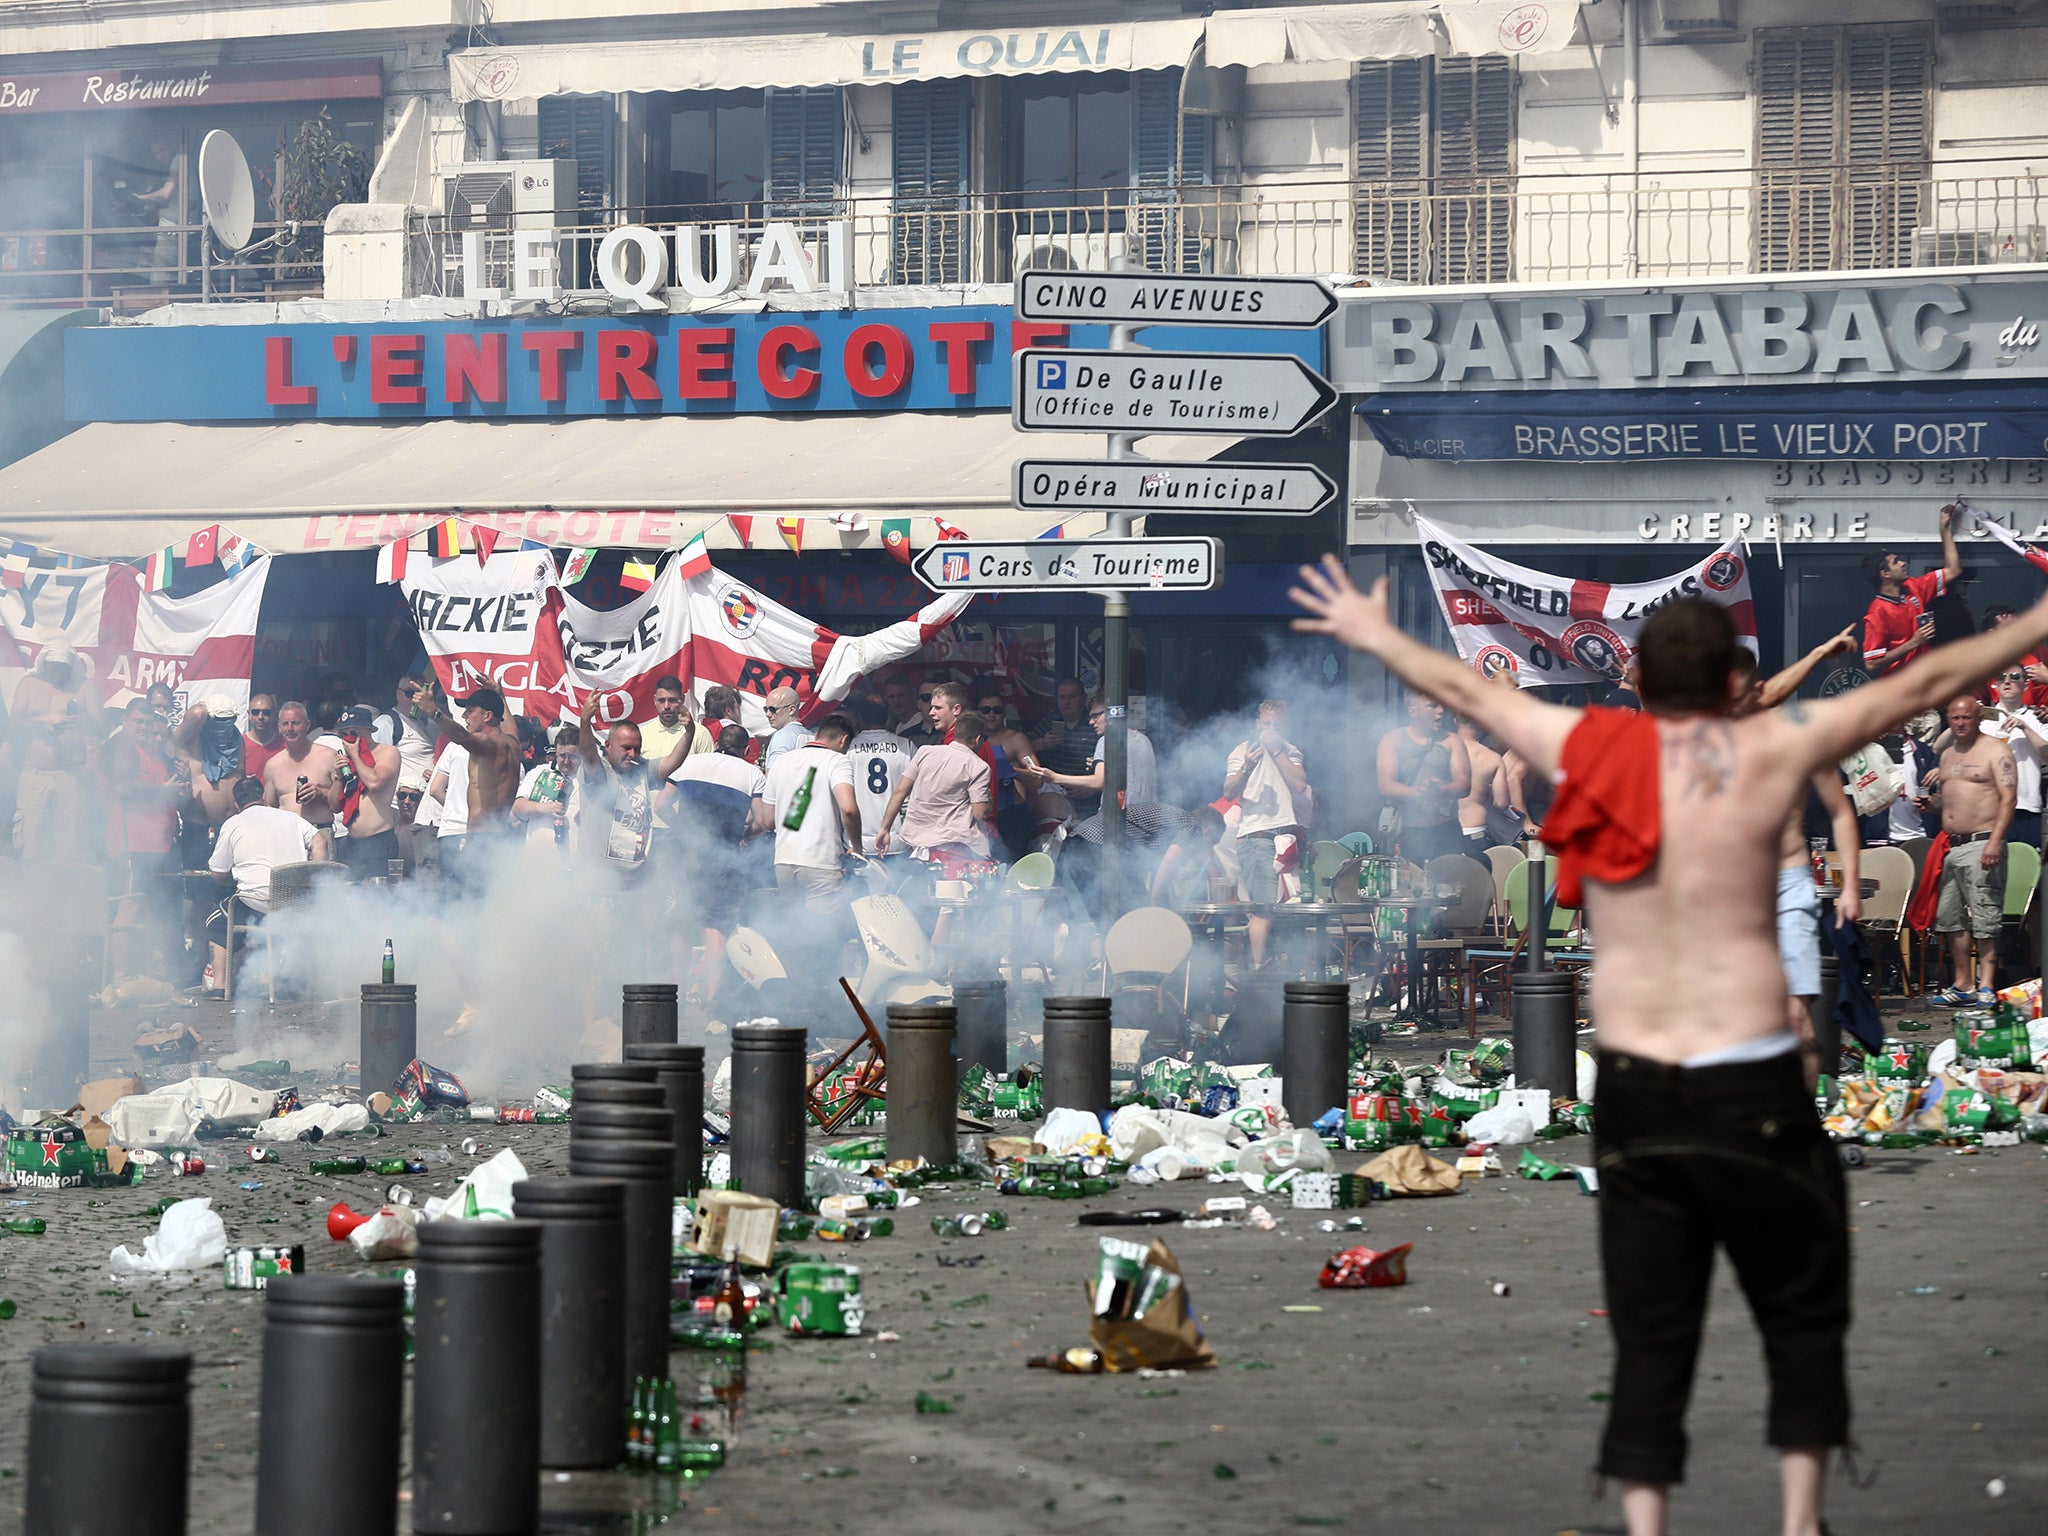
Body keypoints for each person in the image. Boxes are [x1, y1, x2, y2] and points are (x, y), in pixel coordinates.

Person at [1290, 553, 2048, 1536]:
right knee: (1798, 1314)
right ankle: (1797, 1517)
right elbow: (1924, 681)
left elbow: (1454, 685)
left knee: (1651, 1330)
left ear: (1638, 680)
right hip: (1754, 1083)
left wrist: (1371, 630)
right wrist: (2032, 622)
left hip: (1639, 1087)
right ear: (1733, 684)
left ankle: (1645, 1524)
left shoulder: (1592, 747)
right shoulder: (1769, 751)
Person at [1730, 653, 1863, 1087]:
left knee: (1796, 1018)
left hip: (1789, 885)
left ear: (1758, 691)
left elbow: (1841, 813)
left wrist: (1850, 887)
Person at [665, 723, 769, 1013]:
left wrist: (684, 831)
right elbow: (762, 822)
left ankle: (677, 995)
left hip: (685, 854)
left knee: (681, 923)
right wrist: (739, 837)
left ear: (715, 742)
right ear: (747, 750)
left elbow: (661, 805)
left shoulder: (689, 762)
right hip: (722, 859)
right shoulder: (752, 773)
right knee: (716, 928)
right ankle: (712, 999)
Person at [1926, 694, 2016, 1006]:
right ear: (1948, 720)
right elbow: (1949, 799)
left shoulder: (1996, 750)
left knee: (1985, 917)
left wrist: (1994, 841)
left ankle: (1987, 986)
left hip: (1983, 842)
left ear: (1979, 718)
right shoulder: (1948, 754)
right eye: (1955, 718)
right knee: (1950, 919)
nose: (1961, 723)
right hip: (1952, 846)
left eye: (1967, 717)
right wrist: (1932, 804)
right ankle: (1963, 984)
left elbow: (2008, 799)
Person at [203, 776, 329, 997]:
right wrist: (314, 874)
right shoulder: (291, 818)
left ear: (236, 803)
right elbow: (320, 840)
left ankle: (219, 986)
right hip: (294, 903)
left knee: (216, 920)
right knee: (263, 919)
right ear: (263, 797)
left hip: (258, 903)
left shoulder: (233, 823)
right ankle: (265, 981)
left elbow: (217, 873)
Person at [1223, 699, 1312, 969]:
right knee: (1263, 909)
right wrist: (1248, 766)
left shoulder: (1290, 750)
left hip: (1285, 839)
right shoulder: (1242, 751)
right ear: (1257, 724)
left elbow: (1298, 783)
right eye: (1266, 724)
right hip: (1256, 838)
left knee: (1287, 907)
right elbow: (1228, 792)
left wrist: (1277, 751)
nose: (1271, 729)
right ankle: (1258, 972)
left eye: (1276, 724)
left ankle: (1279, 969)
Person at [103, 698, 184, 977]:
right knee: (131, 903)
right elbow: (124, 788)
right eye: (138, 721)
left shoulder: (153, 752)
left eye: (148, 723)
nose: (143, 727)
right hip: (132, 842)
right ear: (126, 720)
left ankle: (142, 975)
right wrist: (162, 790)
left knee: (152, 909)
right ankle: (119, 978)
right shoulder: (121, 745)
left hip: (157, 844)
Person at [406, 686, 524, 864]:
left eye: (470, 711)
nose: (464, 716)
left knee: (463, 892)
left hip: (482, 841)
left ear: (487, 716)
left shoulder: (486, 742)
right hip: (501, 838)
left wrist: (433, 711)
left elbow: (461, 737)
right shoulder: (513, 742)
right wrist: (500, 696)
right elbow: (509, 726)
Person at [761, 712, 860, 911]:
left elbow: (767, 820)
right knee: (821, 936)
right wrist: (857, 847)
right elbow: (848, 808)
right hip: (820, 862)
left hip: (783, 862)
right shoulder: (837, 761)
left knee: (795, 931)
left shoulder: (781, 761)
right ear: (844, 740)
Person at [875, 709, 993, 873]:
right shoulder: (978, 766)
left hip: (917, 848)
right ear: (978, 739)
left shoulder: (924, 752)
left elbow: (900, 792)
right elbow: (980, 813)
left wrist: (884, 829)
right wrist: (989, 803)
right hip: (955, 849)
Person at [1859, 503, 1962, 677]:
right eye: (1896, 562)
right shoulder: (1877, 612)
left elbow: (1953, 570)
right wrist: (1913, 643)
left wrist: (1944, 530)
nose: (1902, 563)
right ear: (1885, 574)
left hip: (1926, 680)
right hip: (1899, 688)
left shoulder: (1913, 587)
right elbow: (1871, 663)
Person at [1376, 692, 1471, 867]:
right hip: (1408, 833)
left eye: (1441, 705)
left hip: (1446, 832)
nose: (1441, 711)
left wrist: (1440, 791)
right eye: (1433, 706)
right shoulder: (1393, 740)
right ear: (1413, 712)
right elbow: (1386, 786)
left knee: (1450, 887)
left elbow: (1464, 784)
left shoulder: (1452, 741)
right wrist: (1420, 792)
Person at [1034, 693, 1157, 810]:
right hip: (1148, 817)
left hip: (1121, 819)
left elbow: (1099, 782)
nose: (1091, 722)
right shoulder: (1143, 740)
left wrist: (1054, 777)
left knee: (1078, 832)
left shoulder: (1106, 741)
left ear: (1111, 713)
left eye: (1096, 716)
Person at [334, 705, 403, 879]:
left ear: (369, 730)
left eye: (354, 732)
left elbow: (374, 783)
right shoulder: (344, 760)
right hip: (351, 842)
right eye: (345, 734)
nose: (349, 738)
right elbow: (334, 806)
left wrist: (355, 756)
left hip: (378, 839)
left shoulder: (388, 752)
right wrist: (337, 777)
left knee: (378, 896)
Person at [1985, 666, 2048, 850]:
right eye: (2001, 676)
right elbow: (1941, 748)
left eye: (2014, 677)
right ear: (1995, 684)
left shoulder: (2038, 718)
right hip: (1990, 807)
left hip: (2026, 806)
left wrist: (2024, 727)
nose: (2007, 681)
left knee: (2026, 869)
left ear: (2026, 685)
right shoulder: (1983, 718)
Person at [260, 701, 346, 833]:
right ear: (279, 727)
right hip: (287, 834)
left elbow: (338, 806)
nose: (290, 729)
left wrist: (321, 792)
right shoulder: (273, 765)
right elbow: (270, 806)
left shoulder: (328, 756)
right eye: (285, 724)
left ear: (307, 725)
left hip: (319, 830)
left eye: (295, 723)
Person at [846, 696, 913, 856]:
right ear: (886, 716)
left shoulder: (848, 748)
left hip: (857, 843)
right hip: (897, 840)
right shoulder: (906, 746)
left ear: (859, 718)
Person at [512, 729, 579, 869]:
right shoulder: (539, 772)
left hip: (575, 866)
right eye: (562, 755)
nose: (566, 761)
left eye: (572, 756)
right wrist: (544, 808)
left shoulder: (588, 779)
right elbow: (518, 807)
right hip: (538, 863)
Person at [1031, 677, 1096, 803]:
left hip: (1088, 804)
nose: (1067, 701)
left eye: (1072, 696)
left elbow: (1114, 769)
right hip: (1053, 798)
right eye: (1062, 697)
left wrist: (1092, 790)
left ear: (1084, 698)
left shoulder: (1095, 724)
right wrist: (1043, 743)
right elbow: (1024, 748)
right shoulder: (1050, 722)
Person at [135, 134, 187, 281]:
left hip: (171, 232)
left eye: (162, 150)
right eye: (155, 153)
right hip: (177, 231)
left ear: (173, 146)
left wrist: (141, 198)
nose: (160, 156)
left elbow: (165, 194)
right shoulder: (187, 161)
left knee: (160, 280)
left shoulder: (179, 160)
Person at [373, 675, 440, 787]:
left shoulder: (428, 722)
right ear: (398, 694)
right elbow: (374, 765)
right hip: (400, 800)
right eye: (409, 693)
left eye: (420, 693)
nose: (415, 698)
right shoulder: (386, 722)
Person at [758, 685, 815, 775]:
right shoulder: (812, 736)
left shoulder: (782, 736)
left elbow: (772, 775)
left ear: (791, 710)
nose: (768, 714)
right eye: (766, 709)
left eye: (773, 709)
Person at [882, 675, 938, 749]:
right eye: (891, 696)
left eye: (901, 695)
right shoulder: (899, 727)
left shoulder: (924, 723)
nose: (896, 701)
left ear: (913, 694)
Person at [243, 693, 283, 781]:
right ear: (249, 715)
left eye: (266, 712)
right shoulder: (239, 746)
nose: (260, 717)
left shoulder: (285, 746)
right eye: (255, 712)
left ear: (274, 715)